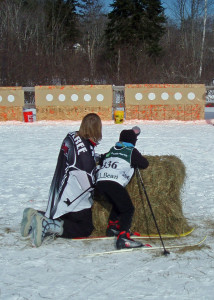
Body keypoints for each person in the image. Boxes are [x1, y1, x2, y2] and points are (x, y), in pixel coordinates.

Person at [21, 113, 102, 247]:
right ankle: (48, 224)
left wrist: (97, 157)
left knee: (61, 215)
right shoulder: (86, 154)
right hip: (73, 198)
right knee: (85, 228)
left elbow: (78, 157)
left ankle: (35, 214)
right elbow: (88, 183)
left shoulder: (71, 136)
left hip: (59, 191)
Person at [95, 128, 149, 250]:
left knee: (117, 202)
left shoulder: (112, 149)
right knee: (128, 208)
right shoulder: (131, 151)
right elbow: (145, 164)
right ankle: (124, 237)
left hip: (99, 183)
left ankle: (113, 227)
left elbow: (103, 158)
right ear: (133, 141)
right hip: (113, 182)